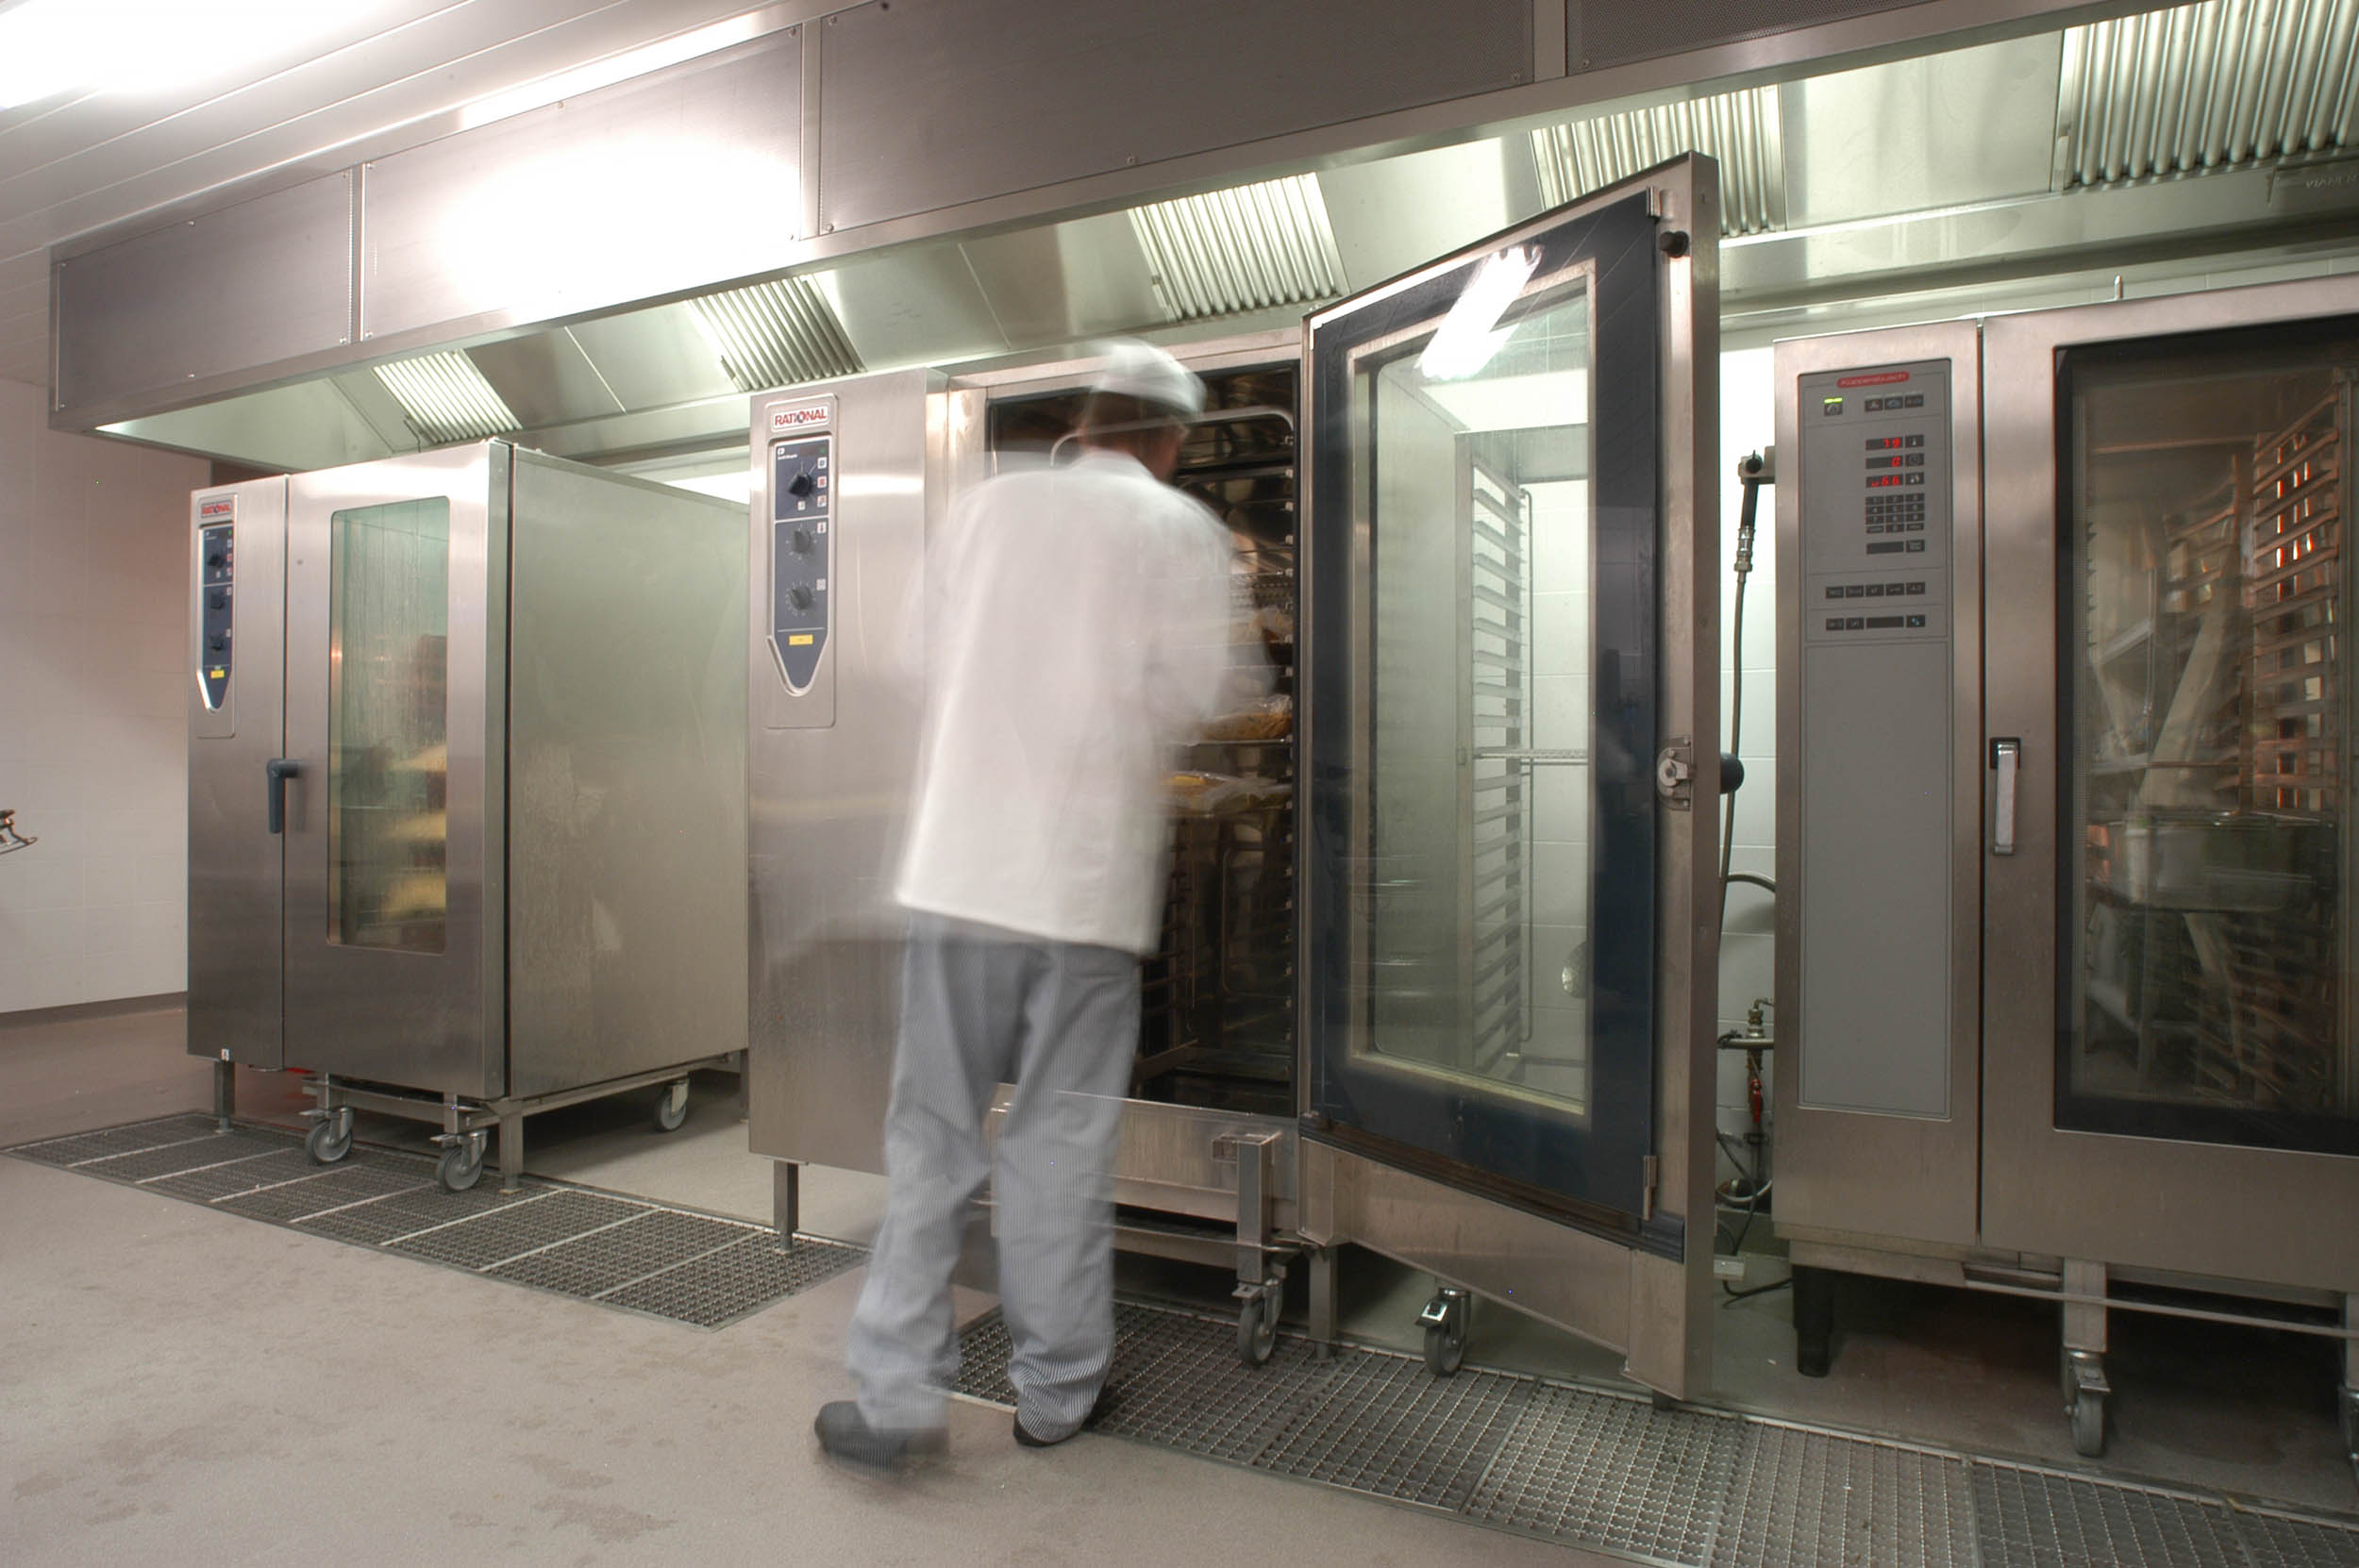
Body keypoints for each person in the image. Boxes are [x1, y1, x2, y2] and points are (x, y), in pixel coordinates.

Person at [816, 341, 1241, 1468]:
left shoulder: (989, 507)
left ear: (1085, 422)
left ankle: (898, 1398)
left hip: (962, 873)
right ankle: (1056, 1393)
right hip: (1086, 890)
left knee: (932, 1134)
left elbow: (910, 657)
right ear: (1167, 439)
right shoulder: (1181, 531)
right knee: (1059, 1142)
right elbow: (1204, 694)